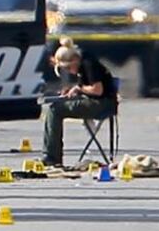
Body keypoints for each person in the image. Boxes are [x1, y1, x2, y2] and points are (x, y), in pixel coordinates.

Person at [42, 37, 117, 167]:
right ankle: (52, 155)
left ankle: (52, 157)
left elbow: (97, 90)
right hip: (97, 100)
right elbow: (85, 88)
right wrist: (73, 91)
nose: (70, 71)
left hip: (102, 104)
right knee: (56, 106)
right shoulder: (83, 62)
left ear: (75, 60)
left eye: (69, 67)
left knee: (55, 110)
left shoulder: (88, 64)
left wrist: (79, 89)